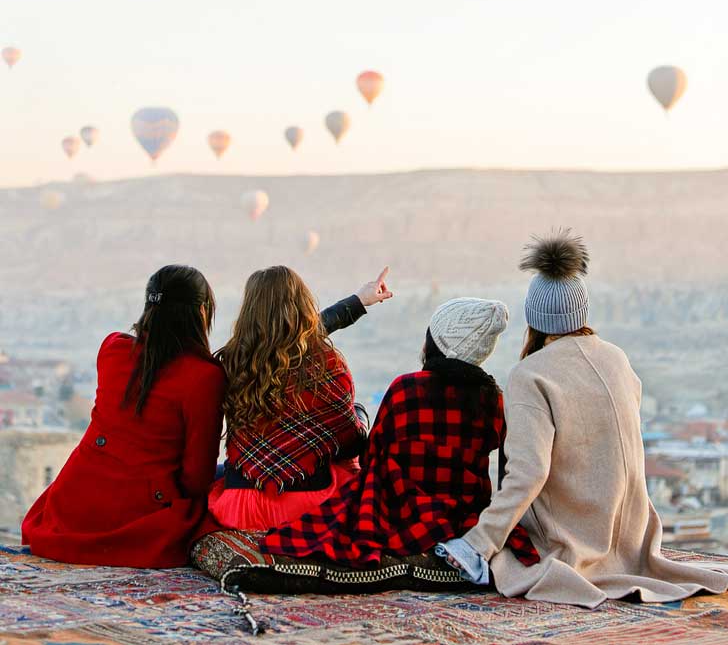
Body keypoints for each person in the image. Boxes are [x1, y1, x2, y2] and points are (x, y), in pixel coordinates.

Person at [437, 231, 728, 606]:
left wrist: (478, 543)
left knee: (503, 554)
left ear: (534, 318)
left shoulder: (530, 375)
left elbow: (528, 474)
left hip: (573, 537)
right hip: (631, 536)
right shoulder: (616, 358)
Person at [260, 298, 539, 569]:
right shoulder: (494, 401)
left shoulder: (405, 389)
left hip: (399, 509)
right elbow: (507, 466)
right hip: (461, 513)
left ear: (435, 344)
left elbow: (371, 456)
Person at [22, 265, 226, 568]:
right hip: (136, 521)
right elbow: (195, 479)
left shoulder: (112, 349)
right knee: (229, 481)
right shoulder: (204, 377)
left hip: (70, 509)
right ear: (201, 313)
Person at [206, 265, 388, 531]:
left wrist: (358, 302)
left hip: (239, 506)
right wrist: (361, 418)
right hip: (308, 506)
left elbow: (287, 344)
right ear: (303, 306)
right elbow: (350, 444)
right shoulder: (327, 364)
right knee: (356, 424)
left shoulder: (233, 361)